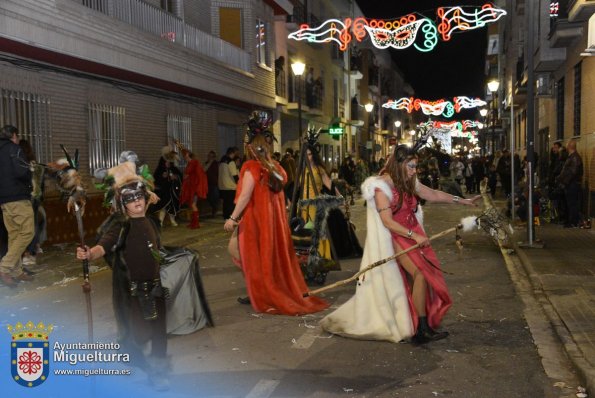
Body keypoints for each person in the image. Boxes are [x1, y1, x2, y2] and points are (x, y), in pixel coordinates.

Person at [320, 145, 481, 345]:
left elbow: (432, 194)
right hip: (396, 236)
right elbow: (388, 222)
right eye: (411, 166)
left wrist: (463, 201)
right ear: (400, 165)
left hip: (413, 234)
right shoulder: (381, 188)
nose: (415, 170)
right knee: (419, 275)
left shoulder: (408, 181)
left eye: (415, 166)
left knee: (422, 277)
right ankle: (421, 330)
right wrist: (414, 236)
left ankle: (417, 323)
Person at [76, 161, 170, 389]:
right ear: (121, 204)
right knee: (136, 335)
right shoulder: (121, 226)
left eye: (139, 196)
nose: (136, 201)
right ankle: (138, 361)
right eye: (129, 199)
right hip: (133, 293)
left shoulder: (152, 222)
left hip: (155, 288)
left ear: (146, 197)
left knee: (159, 335)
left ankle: (157, 372)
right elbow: (104, 245)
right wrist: (90, 253)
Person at [223, 112, 328, 315]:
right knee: (251, 254)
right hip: (271, 222)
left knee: (242, 252)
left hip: (255, 220)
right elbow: (282, 195)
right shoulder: (275, 167)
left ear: (251, 147)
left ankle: (259, 289)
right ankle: (257, 288)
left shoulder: (251, 167)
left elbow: (245, 196)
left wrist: (232, 218)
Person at [0, 125, 34, 287]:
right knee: (27, 232)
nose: (18, 139)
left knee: (14, 234)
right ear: (13, 135)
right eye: (17, 136)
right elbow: (22, 172)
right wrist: (30, 174)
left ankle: (16, 271)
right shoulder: (15, 149)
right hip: (18, 197)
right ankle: (5, 267)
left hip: (4, 200)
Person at [19, 139, 46, 267]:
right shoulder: (38, 166)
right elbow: (42, 186)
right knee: (33, 225)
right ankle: (32, 251)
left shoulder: (21, 165)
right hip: (35, 199)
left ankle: (27, 253)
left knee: (24, 227)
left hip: (23, 198)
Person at [556, 139, 583, 228]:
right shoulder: (571, 156)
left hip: (572, 184)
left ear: (569, 146)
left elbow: (572, 172)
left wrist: (564, 182)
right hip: (570, 184)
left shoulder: (574, 157)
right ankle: (570, 221)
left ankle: (573, 222)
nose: (566, 147)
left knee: (572, 203)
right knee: (569, 203)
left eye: (567, 145)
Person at [153, 146, 182, 227]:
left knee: (172, 205)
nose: (167, 163)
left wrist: (175, 177)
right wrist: (163, 176)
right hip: (164, 189)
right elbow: (156, 177)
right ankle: (160, 222)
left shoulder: (173, 167)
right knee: (164, 205)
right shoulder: (160, 168)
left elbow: (179, 175)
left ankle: (172, 220)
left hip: (173, 189)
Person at [179, 148, 208, 229]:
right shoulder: (191, 163)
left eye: (185, 155)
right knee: (192, 205)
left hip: (194, 187)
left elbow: (188, 173)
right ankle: (193, 222)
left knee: (193, 204)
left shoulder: (193, 162)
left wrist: (187, 176)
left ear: (188, 155)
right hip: (192, 187)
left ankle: (196, 223)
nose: (184, 157)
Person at [218, 147, 239, 220]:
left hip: (222, 185)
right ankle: (231, 218)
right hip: (230, 186)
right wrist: (239, 183)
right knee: (231, 203)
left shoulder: (222, 160)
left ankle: (225, 216)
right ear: (233, 153)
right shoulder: (231, 162)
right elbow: (234, 175)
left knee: (225, 203)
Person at [204, 151, 219, 217]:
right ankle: (214, 208)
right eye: (209, 156)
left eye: (212, 156)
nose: (210, 157)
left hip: (215, 183)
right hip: (207, 183)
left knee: (215, 197)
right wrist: (210, 162)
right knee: (209, 197)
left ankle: (214, 210)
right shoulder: (206, 163)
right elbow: (203, 170)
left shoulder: (216, 163)